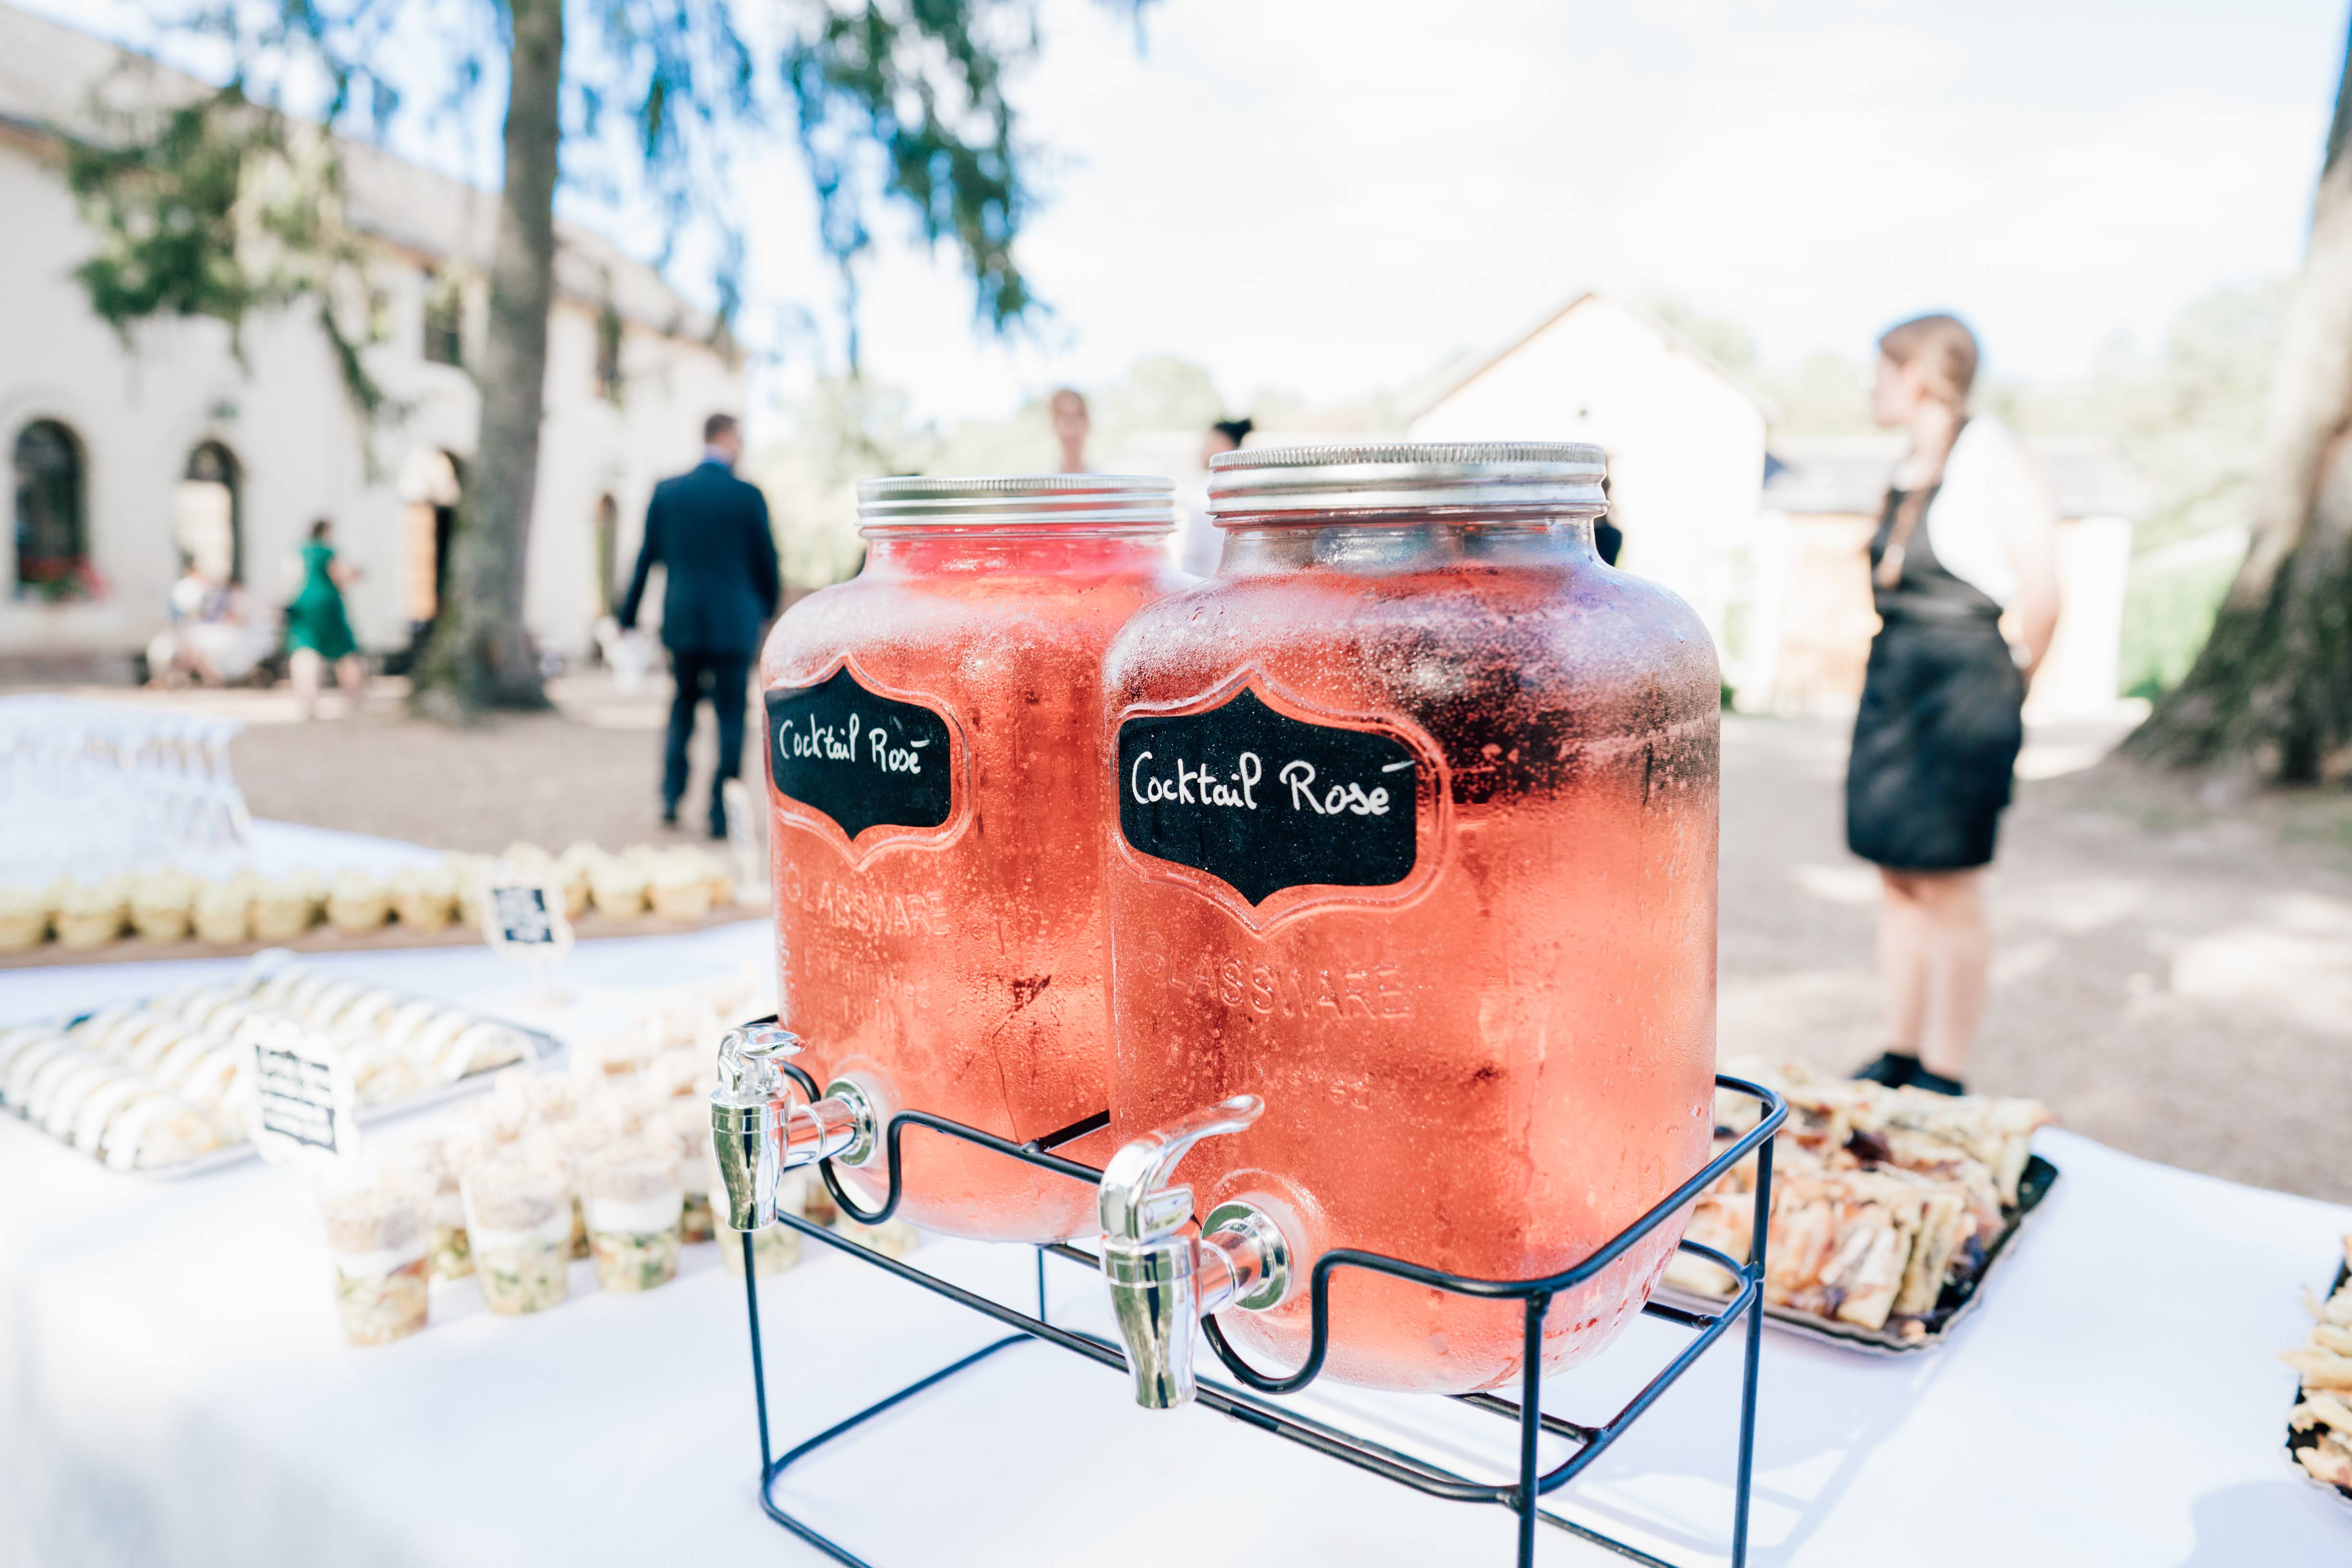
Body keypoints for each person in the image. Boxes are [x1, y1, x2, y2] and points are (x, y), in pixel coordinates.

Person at [1846, 315, 2061, 1097]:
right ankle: (1898, 1054)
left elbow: (2043, 594)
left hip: (1963, 691)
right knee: (1897, 877)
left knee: (1949, 886)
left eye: (1880, 371)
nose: (1870, 386)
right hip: (1894, 687)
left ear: (1916, 376)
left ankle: (1943, 1072)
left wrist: (2009, 691)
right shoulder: (1906, 465)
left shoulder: (1993, 456)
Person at [618, 413, 780, 839]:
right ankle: (720, 814)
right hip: (734, 625)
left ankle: (671, 799)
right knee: (731, 717)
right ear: (725, 437)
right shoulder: (747, 496)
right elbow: (767, 562)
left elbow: (646, 558)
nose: (742, 446)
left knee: (682, 708)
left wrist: (628, 616)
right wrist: (766, 611)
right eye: (740, 438)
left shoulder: (668, 491)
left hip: (684, 621)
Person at [285, 519, 366, 719]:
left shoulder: (298, 551)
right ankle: (354, 697)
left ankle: (307, 701)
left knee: (304, 651)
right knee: (345, 650)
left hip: (302, 603)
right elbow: (340, 576)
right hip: (327, 603)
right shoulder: (328, 552)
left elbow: (289, 579)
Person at [1177, 416, 1253, 577]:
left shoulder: (1207, 492)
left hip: (1208, 583)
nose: (1200, 451)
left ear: (1222, 443)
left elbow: (1194, 556)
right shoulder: (1251, 487)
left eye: (1206, 443)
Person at [1049, 387, 1091, 473]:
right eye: (1065, 418)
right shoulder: (1043, 479)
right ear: (1054, 425)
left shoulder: (1106, 479)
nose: (1072, 429)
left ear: (1087, 423)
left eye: (1077, 416)